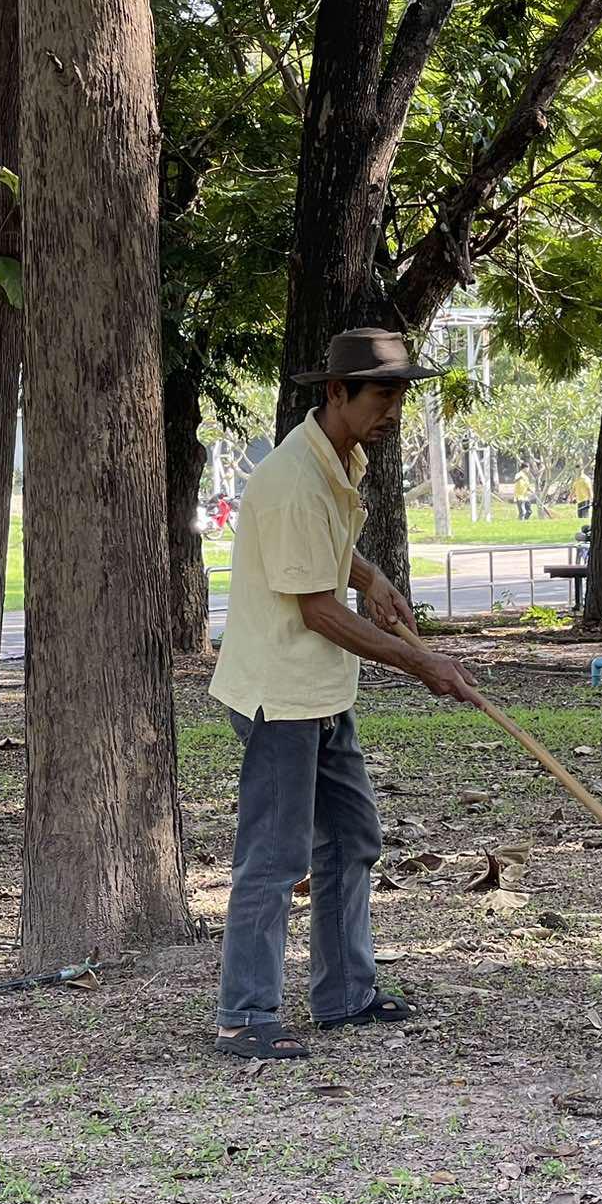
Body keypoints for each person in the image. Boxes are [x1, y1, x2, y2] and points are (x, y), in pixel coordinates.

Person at [209, 328, 478, 1061]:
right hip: (278, 695)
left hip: (320, 690)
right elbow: (316, 611)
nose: (393, 409)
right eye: (382, 394)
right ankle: (245, 1014)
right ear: (337, 393)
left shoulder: (335, 460)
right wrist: (424, 666)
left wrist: (370, 577)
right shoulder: (294, 479)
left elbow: (328, 558)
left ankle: (344, 995)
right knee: (274, 856)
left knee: (352, 837)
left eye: (399, 394)